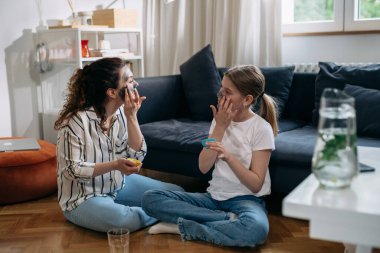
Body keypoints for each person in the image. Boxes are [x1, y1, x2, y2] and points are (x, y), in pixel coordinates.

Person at [142, 65, 278, 247]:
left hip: (246, 201)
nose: (220, 94)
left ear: (247, 99)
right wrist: (220, 127)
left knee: (255, 230)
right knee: (150, 199)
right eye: (221, 87)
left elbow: (255, 185)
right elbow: (203, 166)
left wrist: (228, 157)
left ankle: (186, 226)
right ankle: (225, 220)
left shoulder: (261, 129)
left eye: (228, 92)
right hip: (213, 198)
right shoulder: (218, 120)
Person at [54, 57, 183, 233]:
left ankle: (167, 212)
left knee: (176, 192)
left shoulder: (122, 113)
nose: (135, 83)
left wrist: (132, 117)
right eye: (130, 81)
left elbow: (136, 157)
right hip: (82, 199)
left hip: (118, 185)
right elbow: (72, 170)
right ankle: (168, 213)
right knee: (123, 220)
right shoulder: (75, 122)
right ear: (112, 92)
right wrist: (115, 165)